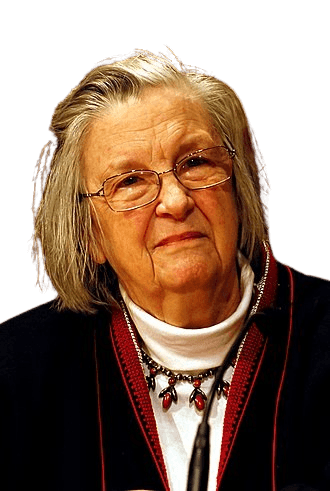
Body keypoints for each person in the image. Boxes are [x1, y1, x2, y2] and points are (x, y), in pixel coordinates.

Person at [0, 48, 329, 491]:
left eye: (195, 162)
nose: (175, 201)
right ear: (90, 234)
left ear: (237, 185)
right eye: (130, 181)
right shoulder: (16, 371)